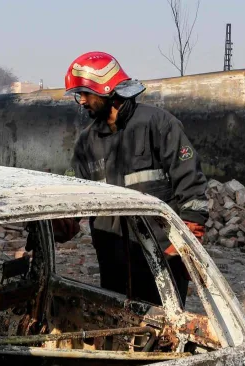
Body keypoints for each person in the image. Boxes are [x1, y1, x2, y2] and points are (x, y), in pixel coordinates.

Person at [64, 51, 208, 305]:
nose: (82, 101)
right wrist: (62, 222)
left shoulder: (158, 124)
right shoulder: (86, 143)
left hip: (162, 255)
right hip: (112, 258)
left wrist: (189, 237)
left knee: (163, 332)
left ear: (106, 89)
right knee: (120, 329)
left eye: (85, 93)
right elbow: (78, 195)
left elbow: (191, 181)